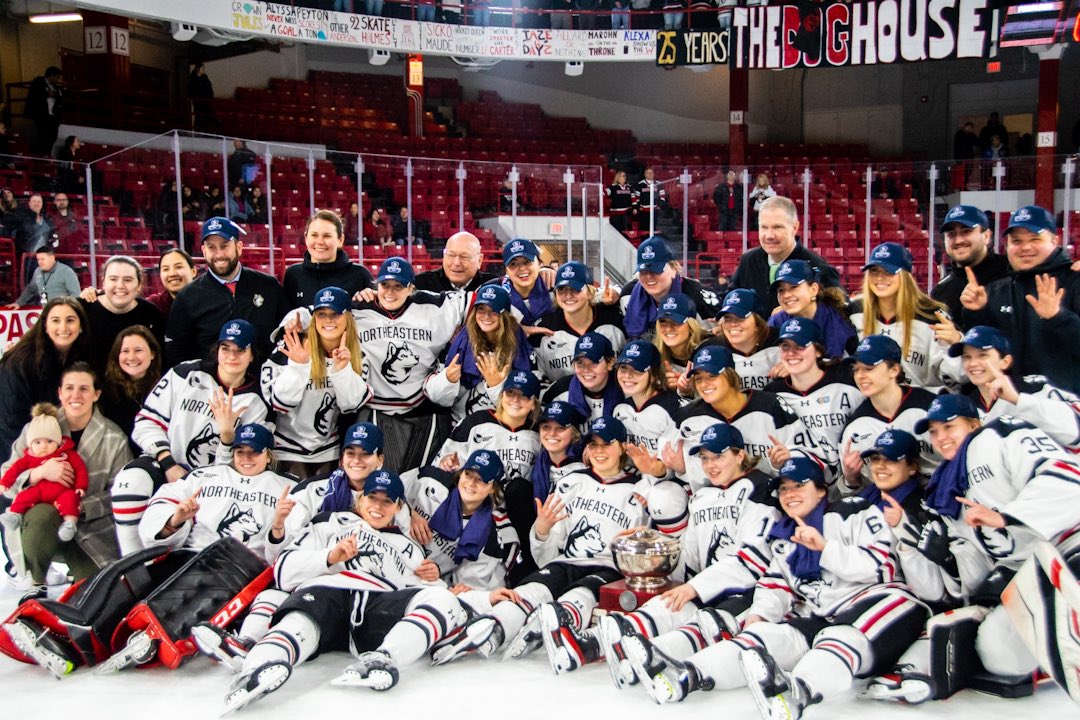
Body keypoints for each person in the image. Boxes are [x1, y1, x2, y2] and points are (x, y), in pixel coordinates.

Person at [627, 456, 927, 719]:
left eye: (799, 486)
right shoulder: (784, 535)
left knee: (837, 637)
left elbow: (879, 568)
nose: (790, 494)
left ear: (821, 489)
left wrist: (825, 548)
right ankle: (685, 675)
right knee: (763, 634)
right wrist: (758, 616)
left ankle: (798, 691)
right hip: (823, 614)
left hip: (884, 604)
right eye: (784, 488)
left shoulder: (855, 511)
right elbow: (776, 583)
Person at [864, 394, 1080, 703]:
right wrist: (946, 557)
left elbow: (1068, 480)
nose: (940, 438)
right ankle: (1044, 652)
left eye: (949, 427)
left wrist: (1007, 517)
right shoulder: (942, 493)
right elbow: (972, 572)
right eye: (934, 431)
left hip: (1066, 545)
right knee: (998, 653)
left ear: (974, 424)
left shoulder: (1000, 434)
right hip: (1020, 574)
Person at [220, 469, 468, 710]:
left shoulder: (409, 547)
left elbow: (425, 593)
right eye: (373, 498)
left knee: (442, 598)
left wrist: (443, 585)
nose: (378, 507)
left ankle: (382, 658)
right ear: (361, 498)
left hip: (376, 607)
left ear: (398, 507)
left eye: (387, 501)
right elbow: (283, 572)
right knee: (300, 619)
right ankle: (257, 670)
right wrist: (329, 557)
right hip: (329, 594)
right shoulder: (329, 521)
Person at [453, 416, 682, 666]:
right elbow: (547, 557)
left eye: (607, 444)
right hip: (566, 561)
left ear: (622, 448)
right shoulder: (571, 483)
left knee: (581, 594)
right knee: (533, 589)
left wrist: (635, 540)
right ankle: (494, 627)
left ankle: (555, 622)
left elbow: (658, 526)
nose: (599, 451)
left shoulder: (640, 490)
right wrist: (542, 529)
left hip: (608, 568)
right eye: (593, 445)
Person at [597, 423, 779, 688]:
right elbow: (690, 557)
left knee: (705, 623)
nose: (710, 465)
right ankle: (602, 640)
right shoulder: (703, 494)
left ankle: (653, 656)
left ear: (740, 455)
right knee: (667, 604)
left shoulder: (760, 489)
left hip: (748, 593)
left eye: (719, 456)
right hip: (705, 589)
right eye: (705, 458)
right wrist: (651, 540)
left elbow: (754, 560)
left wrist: (695, 587)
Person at [113, 319, 271, 555]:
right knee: (130, 481)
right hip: (166, 463)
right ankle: (131, 568)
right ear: (217, 350)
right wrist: (168, 462)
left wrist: (227, 437)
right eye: (225, 348)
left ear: (252, 355)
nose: (232, 356)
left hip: (214, 481)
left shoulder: (256, 402)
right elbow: (145, 423)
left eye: (241, 350)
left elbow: (243, 466)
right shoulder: (185, 373)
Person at [0, 363, 132, 598]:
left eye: (84, 388)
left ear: (96, 394)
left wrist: (82, 506)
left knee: (98, 595)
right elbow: (6, 477)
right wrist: (37, 474)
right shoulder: (37, 429)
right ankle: (37, 582)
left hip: (90, 527)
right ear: (60, 393)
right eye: (69, 388)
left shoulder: (114, 438)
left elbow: (121, 493)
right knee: (41, 518)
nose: (76, 395)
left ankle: (80, 580)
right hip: (43, 516)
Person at [347, 256, 468, 472]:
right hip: (376, 408)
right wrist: (294, 318)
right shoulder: (358, 309)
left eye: (398, 286)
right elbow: (320, 311)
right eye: (385, 285)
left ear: (411, 288)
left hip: (423, 407)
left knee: (418, 480)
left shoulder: (435, 306)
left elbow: (483, 299)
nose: (390, 292)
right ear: (376, 285)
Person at [663, 344, 830, 490]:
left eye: (712, 376)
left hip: (769, 501)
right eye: (698, 379)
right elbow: (663, 464)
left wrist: (788, 462)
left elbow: (816, 459)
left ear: (730, 375)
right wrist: (681, 469)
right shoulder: (687, 416)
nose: (704, 384)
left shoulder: (769, 405)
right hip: (715, 505)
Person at [961, 205, 1080, 393]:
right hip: (1011, 403)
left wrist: (1058, 318)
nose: (1025, 247)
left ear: (1054, 240)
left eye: (1035, 239)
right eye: (1016, 241)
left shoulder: (1075, 281)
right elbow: (978, 352)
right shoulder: (995, 290)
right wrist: (976, 312)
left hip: (1065, 408)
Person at [263, 286, 371, 477]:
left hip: (329, 452)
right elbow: (280, 404)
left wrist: (342, 369)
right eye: (321, 314)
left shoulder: (359, 356)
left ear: (348, 318)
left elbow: (350, 405)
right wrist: (299, 366)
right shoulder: (290, 347)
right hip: (285, 450)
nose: (328, 320)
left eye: (335, 314)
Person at [166, 217, 288, 366]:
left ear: (239, 247)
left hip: (264, 382)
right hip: (210, 385)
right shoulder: (187, 296)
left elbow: (287, 333)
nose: (219, 254)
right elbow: (176, 351)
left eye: (224, 246)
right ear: (204, 250)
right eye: (212, 247)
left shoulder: (269, 286)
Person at [848, 242, 963, 391]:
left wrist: (956, 343)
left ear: (906, 275)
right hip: (873, 401)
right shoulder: (855, 311)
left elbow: (956, 377)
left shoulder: (931, 315)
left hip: (921, 405)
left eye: (888, 272)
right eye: (874, 271)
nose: (880, 278)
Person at [837, 335, 940, 494]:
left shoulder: (931, 406)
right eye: (856, 369)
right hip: (887, 509)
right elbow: (854, 495)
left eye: (869, 368)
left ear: (894, 370)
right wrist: (851, 479)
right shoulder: (854, 427)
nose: (860, 376)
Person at [950, 325, 1080, 450]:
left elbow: (1074, 432)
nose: (972, 363)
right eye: (967, 357)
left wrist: (1018, 400)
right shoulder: (968, 406)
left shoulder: (1034, 387)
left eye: (982, 355)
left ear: (1005, 361)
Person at [0, 298, 91, 465]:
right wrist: (34, 467)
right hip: (19, 455)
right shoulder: (20, 362)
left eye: (70, 320)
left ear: (81, 326)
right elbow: (12, 423)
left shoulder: (81, 357)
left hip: (55, 449)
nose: (63, 328)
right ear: (45, 326)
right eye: (55, 320)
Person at [431, 283, 533, 425]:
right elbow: (439, 399)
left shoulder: (517, 342)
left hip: (501, 427)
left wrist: (495, 385)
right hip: (461, 423)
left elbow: (523, 402)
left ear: (504, 315)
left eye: (493, 311)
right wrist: (448, 380)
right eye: (481, 309)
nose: (486, 316)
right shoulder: (463, 339)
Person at [765, 318, 860, 470]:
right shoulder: (772, 394)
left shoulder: (847, 381)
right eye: (785, 346)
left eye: (800, 346)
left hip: (852, 478)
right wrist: (777, 462)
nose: (791, 353)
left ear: (818, 351)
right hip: (803, 481)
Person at [730, 196, 842, 314]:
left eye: (777, 227)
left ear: (794, 228)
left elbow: (839, 312)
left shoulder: (817, 267)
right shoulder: (748, 260)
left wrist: (797, 311)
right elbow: (732, 296)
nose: (769, 236)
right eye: (764, 227)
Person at [0, 402, 89, 544]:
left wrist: (81, 486)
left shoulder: (66, 454)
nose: (43, 446)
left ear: (58, 442)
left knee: (70, 499)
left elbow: (80, 469)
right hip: (38, 492)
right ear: (31, 445)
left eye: (49, 441)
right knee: (24, 497)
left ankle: (69, 524)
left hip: (61, 491)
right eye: (37, 442)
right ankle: (15, 515)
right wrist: (5, 483)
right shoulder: (29, 458)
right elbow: (14, 470)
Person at [534, 261, 626, 384]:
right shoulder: (543, 329)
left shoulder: (615, 318)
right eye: (561, 289)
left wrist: (617, 291)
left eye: (575, 289)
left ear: (590, 291)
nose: (568, 295)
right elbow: (538, 380)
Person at [619, 236, 720, 341]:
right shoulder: (628, 295)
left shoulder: (696, 295)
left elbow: (717, 334)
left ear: (674, 269)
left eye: (656, 270)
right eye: (644, 271)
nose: (649, 277)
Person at [79, 256, 167, 373]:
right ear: (104, 282)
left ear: (139, 284)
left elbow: (160, 361)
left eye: (128, 280)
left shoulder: (151, 314)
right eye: (113, 279)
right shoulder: (83, 309)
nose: (120, 285)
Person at [930, 205, 1010, 324]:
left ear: (986, 236)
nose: (958, 240)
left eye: (966, 231)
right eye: (951, 234)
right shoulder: (941, 291)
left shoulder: (1010, 272)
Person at [283, 210, 374, 308]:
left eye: (327, 236)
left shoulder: (360, 275)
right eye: (314, 235)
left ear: (340, 240)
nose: (320, 241)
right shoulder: (293, 274)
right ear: (306, 238)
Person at [767, 259, 855, 360]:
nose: (786, 295)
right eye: (781, 290)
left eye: (794, 287)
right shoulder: (777, 320)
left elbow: (837, 365)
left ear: (813, 289)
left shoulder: (836, 321)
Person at [98, 325, 163, 448]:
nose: (131, 357)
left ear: (152, 354)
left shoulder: (167, 386)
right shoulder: (106, 391)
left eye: (138, 350)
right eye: (125, 351)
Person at [542, 332, 625, 423]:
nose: (586, 370)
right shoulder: (558, 391)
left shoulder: (626, 390)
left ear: (610, 363)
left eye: (594, 362)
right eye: (580, 363)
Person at [711, 288, 780, 391]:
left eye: (740, 317)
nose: (733, 324)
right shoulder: (711, 350)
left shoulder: (781, 342)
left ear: (758, 322)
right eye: (727, 318)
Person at [653, 293, 709, 389]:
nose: (668, 328)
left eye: (676, 321)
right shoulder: (656, 355)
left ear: (691, 325)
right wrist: (667, 388)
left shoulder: (710, 347)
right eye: (663, 321)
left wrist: (694, 387)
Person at [413, 230, 499, 293]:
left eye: (464, 257)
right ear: (444, 256)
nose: (457, 263)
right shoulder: (420, 285)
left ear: (479, 260)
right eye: (451, 255)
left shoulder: (495, 286)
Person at [5, 243, 80, 308]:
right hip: (46, 313)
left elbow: (76, 294)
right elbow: (31, 289)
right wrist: (19, 303)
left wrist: (67, 310)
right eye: (38, 259)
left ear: (52, 258)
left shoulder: (66, 271)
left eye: (43, 259)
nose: (40, 262)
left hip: (63, 314)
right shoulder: (38, 271)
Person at [500, 238, 553, 329]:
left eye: (527, 261)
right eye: (513, 264)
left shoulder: (555, 292)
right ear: (506, 270)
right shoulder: (497, 297)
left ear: (540, 264)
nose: (521, 268)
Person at [146, 246, 198, 317]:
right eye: (166, 269)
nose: (172, 274)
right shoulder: (152, 305)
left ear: (193, 271)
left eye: (178, 267)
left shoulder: (209, 301)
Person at [26, 66, 63, 156]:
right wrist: (47, 93)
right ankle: (42, 156)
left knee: (53, 136)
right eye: (57, 77)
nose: (58, 80)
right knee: (42, 137)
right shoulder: (38, 83)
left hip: (53, 116)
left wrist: (53, 94)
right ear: (51, 76)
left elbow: (60, 96)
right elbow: (35, 96)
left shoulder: (55, 87)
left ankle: (47, 154)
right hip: (42, 116)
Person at [188, 63, 216, 132]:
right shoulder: (193, 79)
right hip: (198, 102)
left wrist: (210, 97)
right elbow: (191, 91)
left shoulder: (205, 77)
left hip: (206, 102)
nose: (203, 70)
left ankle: (207, 132)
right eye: (202, 68)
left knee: (207, 117)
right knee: (199, 117)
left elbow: (209, 87)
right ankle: (198, 132)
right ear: (198, 69)